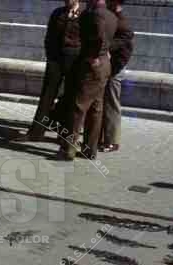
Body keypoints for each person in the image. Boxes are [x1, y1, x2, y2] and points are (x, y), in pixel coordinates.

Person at [57, 0, 117, 161]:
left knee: (78, 107)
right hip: (104, 64)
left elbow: (98, 37)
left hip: (93, 65)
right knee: (96, 109)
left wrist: (93, 56)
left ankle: (68, 149)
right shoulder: (111, 15)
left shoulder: (95, 14)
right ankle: (90, 150)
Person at [22, 0, 81, 141]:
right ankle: (36, 132)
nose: (67, 1)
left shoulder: (84, 15)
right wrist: (50, 55)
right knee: (47, 95)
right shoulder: (57, 13)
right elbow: (49, 36)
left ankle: (64, 135)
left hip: (74, 60)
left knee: (70, 96)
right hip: (55, 59)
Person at [98, 0, 134, 153]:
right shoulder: (113, 19)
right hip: (109, 68)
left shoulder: (122, 24)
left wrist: (113, 68)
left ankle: (112, 141)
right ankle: (102, 138)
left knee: (112, 104)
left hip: (114, 69)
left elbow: (124, 53)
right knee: (104, 103)